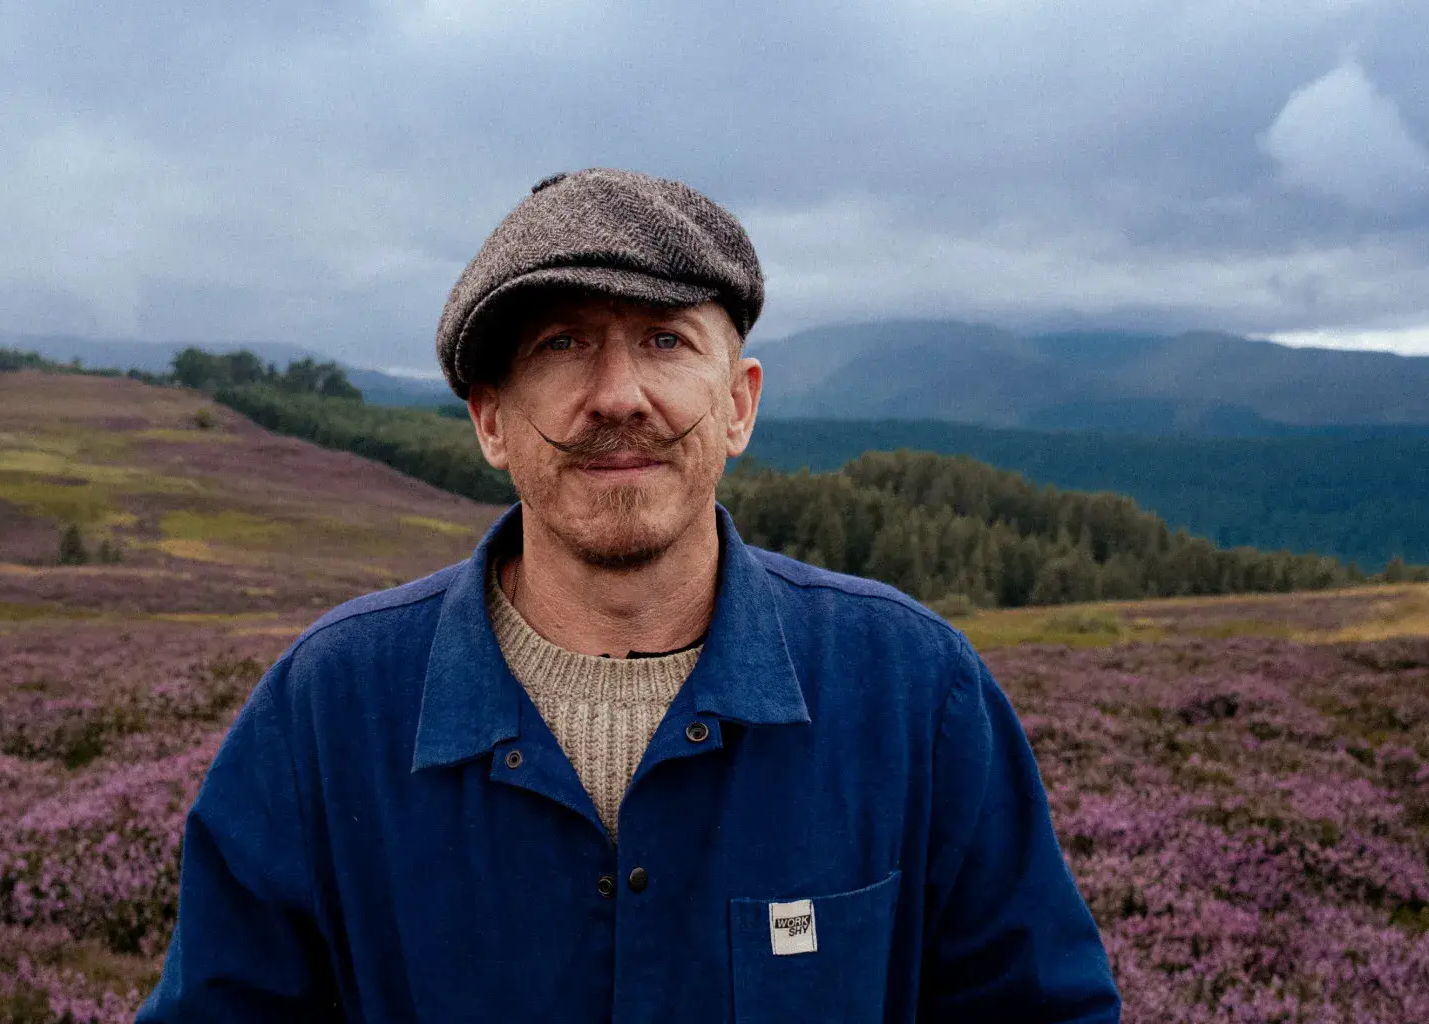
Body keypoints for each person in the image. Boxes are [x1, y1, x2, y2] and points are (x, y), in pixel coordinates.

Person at [137, 168, 1121, 1022]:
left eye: (664, 340)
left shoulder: (912, 689)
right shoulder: (328, 709)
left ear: (738, 404)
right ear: (491, 421)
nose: (617, 395)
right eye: (561, 344)